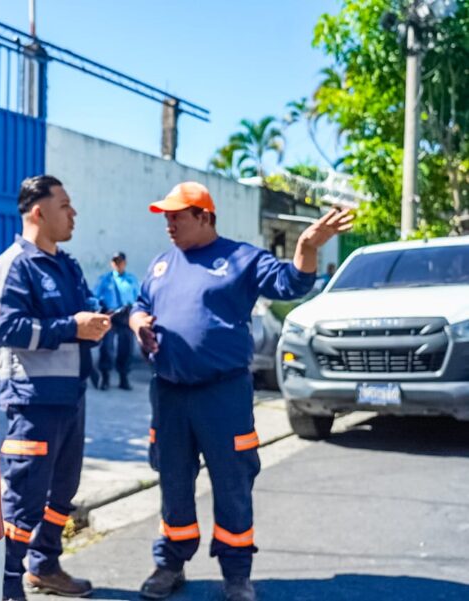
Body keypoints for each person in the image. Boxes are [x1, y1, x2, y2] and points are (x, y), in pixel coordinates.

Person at [128, 182, 352, 601]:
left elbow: (291, 284)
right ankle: (170, 563)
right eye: (166, 217)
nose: (169, 224)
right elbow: (141, 304)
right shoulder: (161, 264)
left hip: (223, 396)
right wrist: (137, 322)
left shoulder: (240, 259)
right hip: (170, 394)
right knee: (173, 481)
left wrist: (306, 247)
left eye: (177, 216)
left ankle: (236, 574)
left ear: (205, 217)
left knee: (232, 482)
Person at [0, 175, 111, 601]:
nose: (73, 213)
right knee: (24, 498)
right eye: (65, 205)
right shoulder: (13, 265)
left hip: (71, 397)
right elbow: (8, 329)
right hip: (33, 401)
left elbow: (86, 308)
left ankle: (44, 565)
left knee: (63, 491)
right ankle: (5, 584)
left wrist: (99, 319)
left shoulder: (67, 265)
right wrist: (71, 327)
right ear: (38, 212)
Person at [93, 251, 140, 390]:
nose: (118, 264)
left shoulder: (131, 280)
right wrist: (100, 309)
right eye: (115, 261)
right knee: (106, 347)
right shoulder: (105, 279)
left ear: (125, 263)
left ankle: (123, 377)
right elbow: (95, 296)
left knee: (126, 348)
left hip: (125, 316)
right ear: (111, 263)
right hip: (110, 315)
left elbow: (138, 297)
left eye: (120, 261)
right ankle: (105, 377)